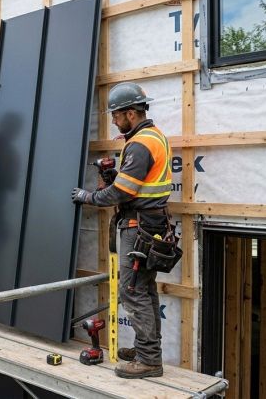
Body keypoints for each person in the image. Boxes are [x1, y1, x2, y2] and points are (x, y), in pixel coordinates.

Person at [71, 82, 173, 379]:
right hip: (152, 223)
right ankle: (147, 349)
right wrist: (116, 175)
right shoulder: (155, 137)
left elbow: (121, 194)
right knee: (145, 288)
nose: (114, 121)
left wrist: (87, 196)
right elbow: (135, 183)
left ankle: (150, 361)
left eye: (116, 115)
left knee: (132, 291)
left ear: (131, 113)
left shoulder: (140, 144)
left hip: (138, 225)